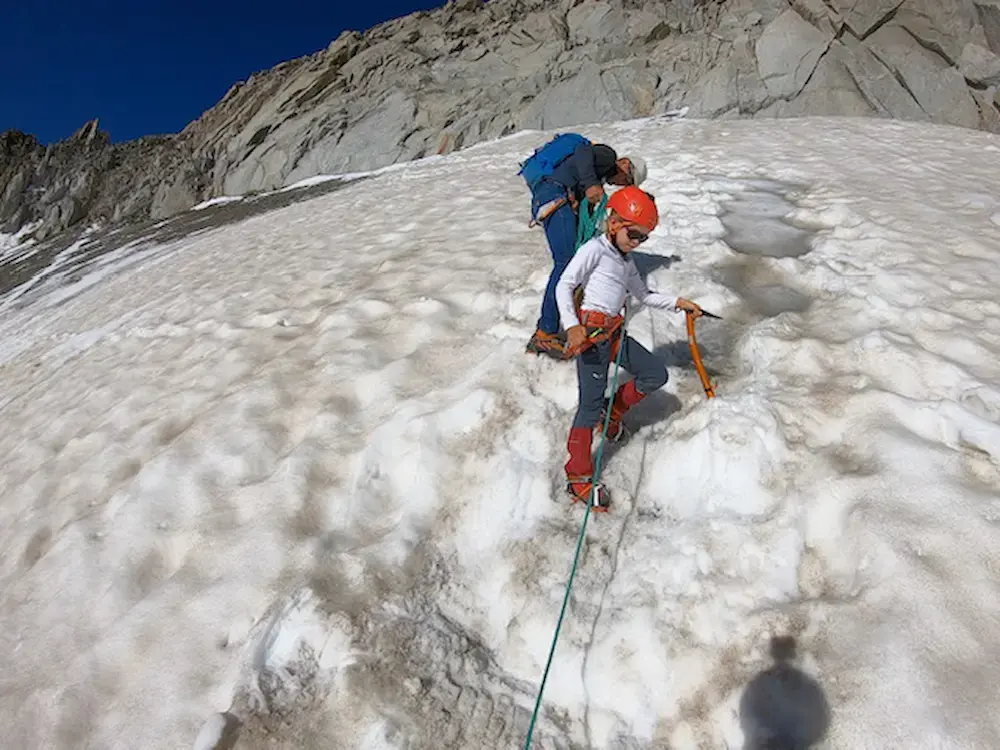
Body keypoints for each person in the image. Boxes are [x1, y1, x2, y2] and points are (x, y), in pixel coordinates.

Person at [555, 185, 703, 511]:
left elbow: (644, 295)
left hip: (614, 334)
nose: (637, 243)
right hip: (592, 338)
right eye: (634, 235)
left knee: (654, 374)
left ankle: (613, 412)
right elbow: (565, 285)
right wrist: (572, 325)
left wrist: (679, 303)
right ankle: (577, 476)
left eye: (643, 238)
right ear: (613, 223)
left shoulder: (625, 259)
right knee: (588, 407)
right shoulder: (594, 251)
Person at [525, 139, 649, 358]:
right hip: (555, 195)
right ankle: (545, 333)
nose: (620, 184)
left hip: (554, 197)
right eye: (626, 180)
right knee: (566, 264)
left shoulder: (595, 173)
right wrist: (591, 184)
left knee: (573, 261)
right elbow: (583, 153)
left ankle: (554, 326)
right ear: (624, 165)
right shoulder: (607, 155)